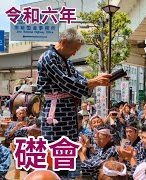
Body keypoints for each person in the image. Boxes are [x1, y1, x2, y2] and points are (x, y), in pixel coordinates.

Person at [36, 27, 112, 180]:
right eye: (75, 49)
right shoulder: (48, 57)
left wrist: (96, 82)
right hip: (56, 114)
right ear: (64, 42)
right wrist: (92, 82)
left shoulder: (67, 62)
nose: (75, 53)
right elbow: (65, 82)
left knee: (68, 152)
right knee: (55, 153)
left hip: (69, 114)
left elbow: (81, 80)